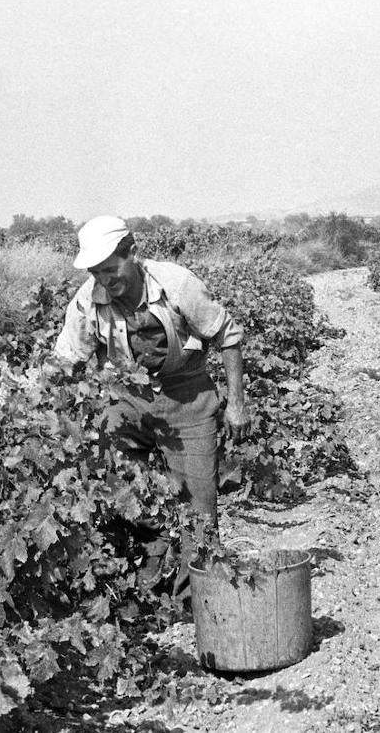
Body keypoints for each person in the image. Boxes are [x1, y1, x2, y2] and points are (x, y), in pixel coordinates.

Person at [54, 215, 252, 536]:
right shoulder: (88, 299)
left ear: (131, 252)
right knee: (119, 488)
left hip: (187, 398)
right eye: (95, 272)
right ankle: (158, 546)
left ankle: (193, 573)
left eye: (109, 268)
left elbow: (227, 337)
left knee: (200, 516)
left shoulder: (177, 284)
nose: (104, 281)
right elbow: (65, 360)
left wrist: (237, 404)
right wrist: (47, 415)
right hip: (127, 399)